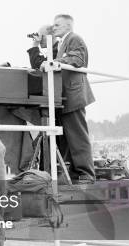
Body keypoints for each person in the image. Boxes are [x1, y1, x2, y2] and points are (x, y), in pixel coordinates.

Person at [28, 14, 95, 183]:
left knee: (78, 135)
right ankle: (74, 172)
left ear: (68, 26)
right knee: (68, 137)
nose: (54, 27)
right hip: (66, 96)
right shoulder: (63, 43)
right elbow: (42, 63)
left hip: (73, 94)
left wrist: (56, 62)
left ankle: (86, 173)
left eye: (57, 25)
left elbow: (79, 59)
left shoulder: (74, 38)